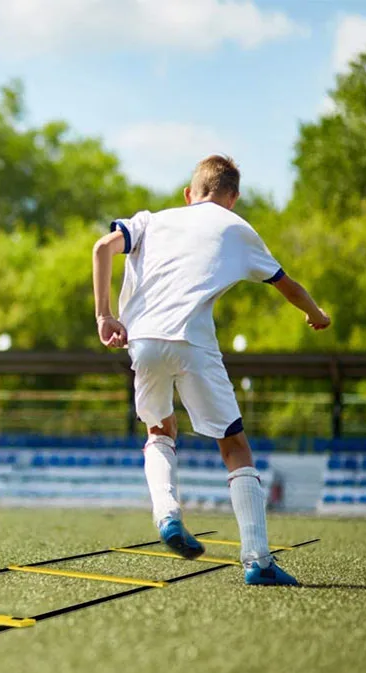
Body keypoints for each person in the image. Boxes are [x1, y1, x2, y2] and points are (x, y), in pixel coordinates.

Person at [91, 155, 331, 586]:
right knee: (234, 447)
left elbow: (101, 247)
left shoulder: (153, 220)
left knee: (159, 433)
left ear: (189, 194)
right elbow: (286, 284)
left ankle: (166, 514)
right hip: (193, 342)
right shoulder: (237, 229)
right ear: (232, 199)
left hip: (142, 341)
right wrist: (315, 314)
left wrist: (104, 316)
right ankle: (257, 561)